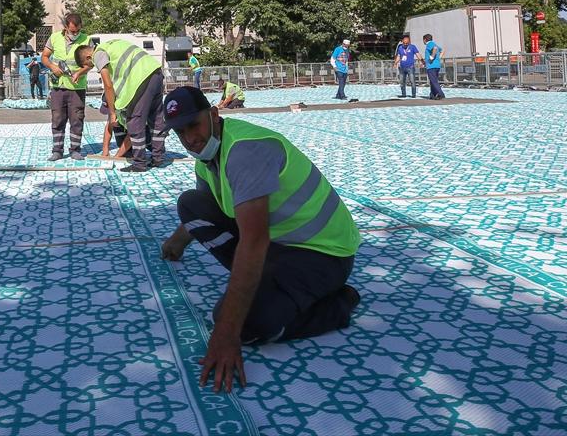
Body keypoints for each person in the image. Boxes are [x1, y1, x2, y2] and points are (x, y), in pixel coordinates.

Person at [160, 87, 361, 393]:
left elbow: (254, 242)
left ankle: (339, 303)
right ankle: (267, 285)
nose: (190, 139)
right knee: (191, 205)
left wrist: (226, 333)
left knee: (247, 325)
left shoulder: (244, 151)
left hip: (323, 253)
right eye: (180, 132)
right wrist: (177, 241)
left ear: (214, 114)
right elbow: (208, 203)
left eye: (194, 125)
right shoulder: (208, 155)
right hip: (281, 245)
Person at [75, 39, 167, 172]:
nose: (93, 66)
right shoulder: (110, 44)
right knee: (156, 118)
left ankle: (140, 163)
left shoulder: (98, 54)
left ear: (89, 57)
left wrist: (112, 112)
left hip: (141, 78)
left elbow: (108, 85)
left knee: (135, 120)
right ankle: (158, 157)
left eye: (89, 64)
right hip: (155, 72)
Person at [40, 13, 90, 161]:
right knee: (57, 119)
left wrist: (80, 72)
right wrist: (52, 66)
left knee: (77, 119)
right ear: (66, 28)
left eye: (77, 31)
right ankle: (57, 150)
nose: (75, 34)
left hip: (77, 88)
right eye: (72, 31)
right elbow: (44, 57)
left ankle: (75, 149)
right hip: (58, 86)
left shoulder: (86, 39)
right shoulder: (54, 38)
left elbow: (91, 63)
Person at [393, 33, 419, 99]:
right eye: (404, 43)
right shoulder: (400, 47)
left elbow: (417, 54)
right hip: (402, 67)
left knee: (412, 81)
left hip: (410, 67)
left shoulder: (413, 47)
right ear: (402, 42)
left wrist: (422, 61)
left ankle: (413, 95)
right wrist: (395, 63)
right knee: (402, 82)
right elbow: (399, 56)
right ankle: (403, 94)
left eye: (406, 43)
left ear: (409, 42)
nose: (405, 44)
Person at [422, 34, 445, 100]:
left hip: (431, 66)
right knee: (433, 81)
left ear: (425, 40)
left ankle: (440, 94)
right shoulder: (435, 44)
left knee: (433, 81)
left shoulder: (429, 44)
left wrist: (431, 57)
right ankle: (432, 95)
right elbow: (442, 50)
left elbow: (434, 49)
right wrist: (438, 58)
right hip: (437, 65)